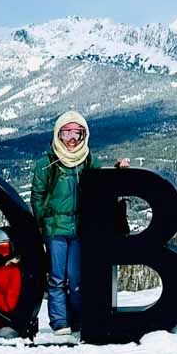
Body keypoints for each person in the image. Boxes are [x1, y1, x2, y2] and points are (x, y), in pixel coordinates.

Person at [31, 111, 128, 338]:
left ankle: (79, 317)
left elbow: (102, 185)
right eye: (66, 133)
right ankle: (60, 321)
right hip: (55, 228)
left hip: (79, 228)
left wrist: (119, 171)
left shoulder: (89, 161)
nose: (72, 139)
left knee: (77, 278)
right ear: (58, 135)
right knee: (56, 277)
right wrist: (41, 223)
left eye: (77, 133)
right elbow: (37, 196)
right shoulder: (46, 164)